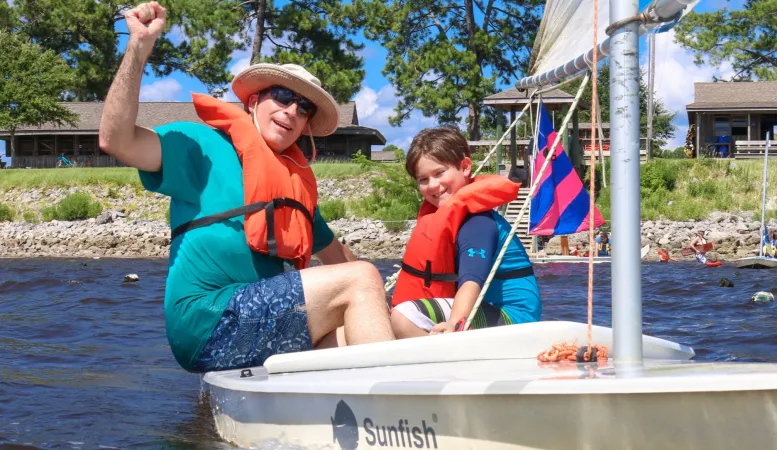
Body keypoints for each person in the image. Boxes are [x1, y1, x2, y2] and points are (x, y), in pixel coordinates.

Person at [97, 2, 394, 373]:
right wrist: (138, 47)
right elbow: (116, 140)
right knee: (362, 281)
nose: (292, 111)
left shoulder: (294, 190)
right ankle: (391, 407)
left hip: (260, 325)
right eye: (283, 97)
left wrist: (391, 299)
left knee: (366, 323)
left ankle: (362, 412)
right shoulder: (199, 145)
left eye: (304, 108)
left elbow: (341, 259)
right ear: (254, 100)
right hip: (208, 322)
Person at [389, 126, 541, 337]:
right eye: (423, 179)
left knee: (403, 316)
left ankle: (441, 363)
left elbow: (471, 280)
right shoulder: (448, 218)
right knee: (378, 316)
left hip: (513, 319)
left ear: (465, 167)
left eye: (439, 173)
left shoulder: (478, 222)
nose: (433, 185)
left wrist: (455, 324)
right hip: (480, 308)